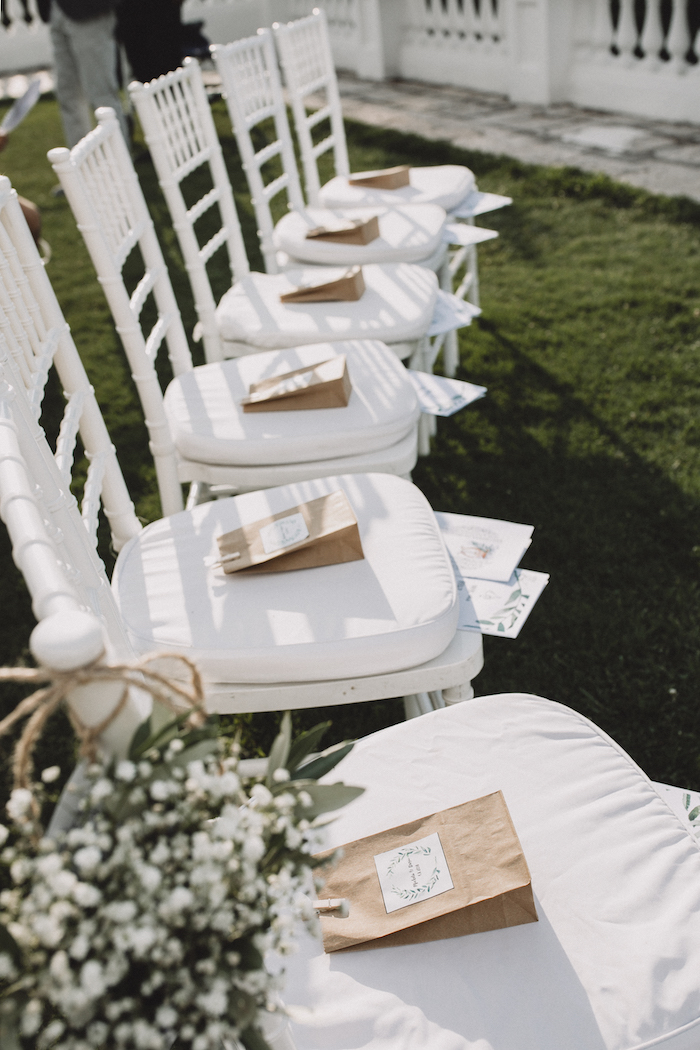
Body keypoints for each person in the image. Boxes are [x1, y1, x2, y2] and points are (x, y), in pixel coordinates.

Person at [38, 0, 128, 149]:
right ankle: (81, 162)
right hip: (55, 9)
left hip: (89, 10)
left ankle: (119, 157)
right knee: (67, 94)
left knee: (101, 93)